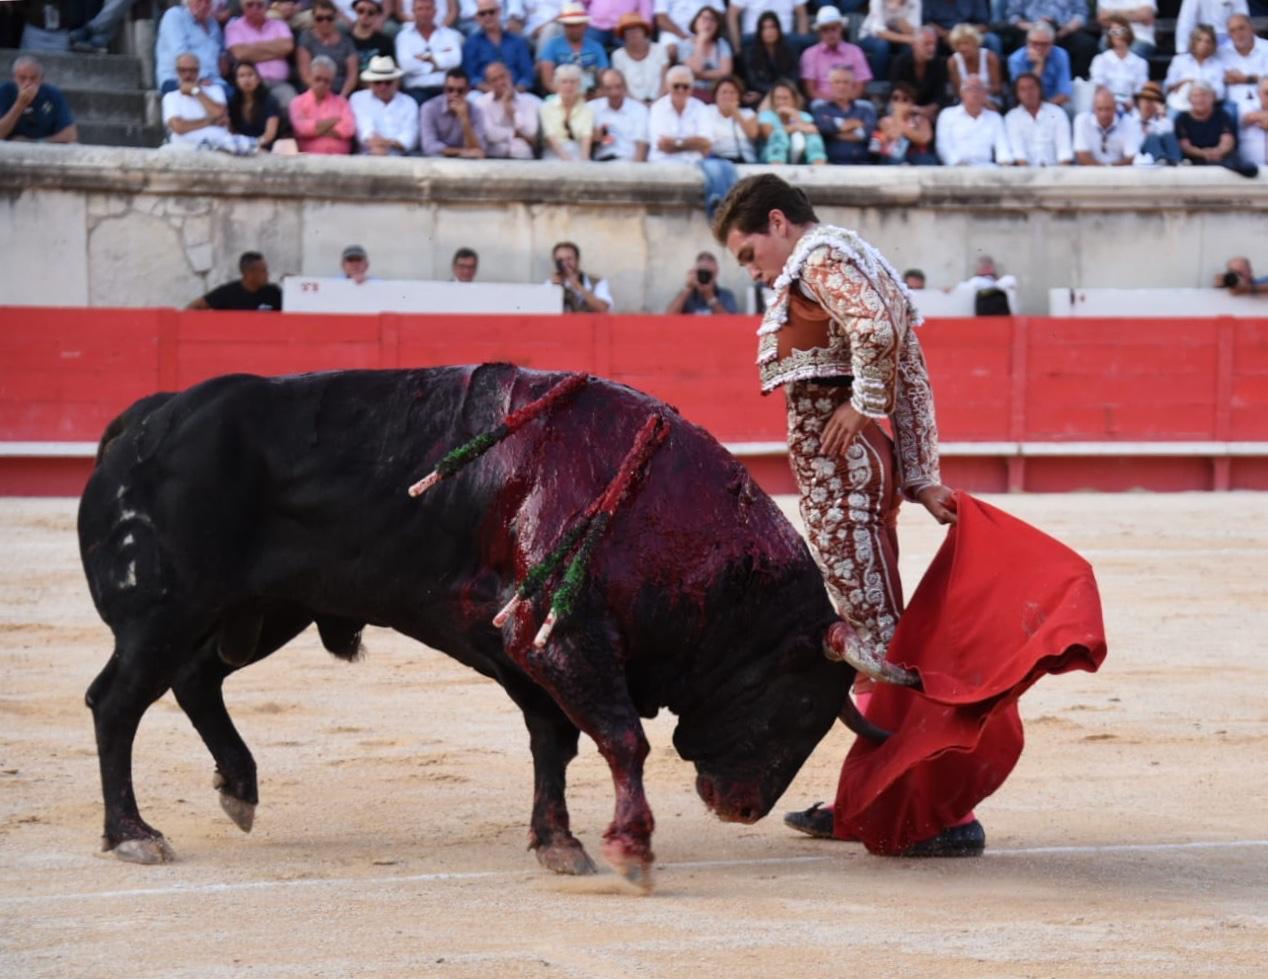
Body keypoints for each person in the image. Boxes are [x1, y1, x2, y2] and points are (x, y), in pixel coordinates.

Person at [711, 173, 983, 857]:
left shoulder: (819, 258)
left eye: (749, 253)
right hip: (858, 472)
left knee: (879, 641)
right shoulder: (854, 255)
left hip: (843, 476)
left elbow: (879, 331)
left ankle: (935, 807)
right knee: (871, 638)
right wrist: (919, 476)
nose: (755, 270)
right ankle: (874, 793)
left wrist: (862, 403)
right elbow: (910, 368)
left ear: (778, 222)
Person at [163, 51, 258, 153]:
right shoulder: (170, 97)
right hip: (186, 148)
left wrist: (196, 91)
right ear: (176, 72)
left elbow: (219, 113)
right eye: (183, 70)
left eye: (193, 71)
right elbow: (179, 127)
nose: (188, 75)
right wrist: (211, 121)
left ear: (199, 71)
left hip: (219, 146)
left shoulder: (215, 90)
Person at [1000, 0, 1096, 81]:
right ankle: (1026, 88)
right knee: (1023, 50)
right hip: (1032, 30)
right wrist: (1036, 28)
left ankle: (1071, 84)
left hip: (1064, 29)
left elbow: (1081, 14)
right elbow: (1013, 16)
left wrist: (1066, 29)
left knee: (1087, 45)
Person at [226, 0, 298, 107]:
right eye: (250, 5)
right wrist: (276, 51)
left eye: (259, 5)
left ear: (266, 7)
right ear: (243, 7)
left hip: (279, 84)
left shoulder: (279, 25)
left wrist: (252, 48)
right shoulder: (234, 27)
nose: (255, 8)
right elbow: (240, 54)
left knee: (294, 104)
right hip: (251, 86)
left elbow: (287, 47)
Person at [1177, 79, 1255, 174]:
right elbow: (1185, 146)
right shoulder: (1182, 118)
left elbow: (1227, 141)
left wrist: (1217, 152)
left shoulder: (1222, 115)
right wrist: (1204, 153)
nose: (1200, 99)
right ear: (1189, 99)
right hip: (1194, 158)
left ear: (1212, 97)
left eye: (1204, 95)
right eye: (1195, 96)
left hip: (1222, 157)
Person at [799, 5, 872, 104]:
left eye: (833, 28)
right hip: (822, 104)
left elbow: (860, 86)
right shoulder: (810, 54)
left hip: (851, 103)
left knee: (866, 106)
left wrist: (845, 103)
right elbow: (811, 90)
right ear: (819, 32)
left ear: (840, 28)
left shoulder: (855, 52)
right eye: (825, 29)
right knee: (817, 105)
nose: (830, 33)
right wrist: (832, 103)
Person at [396, 0, 464, 103]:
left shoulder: (449, 34)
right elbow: (406, 65)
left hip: (445, 88)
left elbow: (455, 59)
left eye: (428, 8)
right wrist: (437, 65)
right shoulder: (403, 37)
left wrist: (427, 59)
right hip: (416, 89)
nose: (424, 13)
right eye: (420, 9)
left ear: (435, 11)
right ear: (413, 11)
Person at [156, 0, 227, 98]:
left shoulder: (213, 24)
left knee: (234, 94)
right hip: (178, 80)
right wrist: (200, 79)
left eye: (207, 2)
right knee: (212, 99)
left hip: (213, 81)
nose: (203, 5)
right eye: (198, 1)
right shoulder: (175, 16)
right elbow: (180, 54)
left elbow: (222, 55)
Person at [935, 76, 1012, 165]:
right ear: (962, 93)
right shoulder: (947, 115)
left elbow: (1002, 147)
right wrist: (959, 164)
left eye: (979, 89)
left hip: (987, 168)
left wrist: (1005, 164)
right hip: (956, 169)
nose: (975, 93)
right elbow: (943, 146)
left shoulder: (995, 118)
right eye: (970, 89)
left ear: (985, 94)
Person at [0, 55, 78, 143]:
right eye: (22, 78)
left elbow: (70, 135)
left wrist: (34, 142)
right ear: (14, 78)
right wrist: (20, 104)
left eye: (33, 78)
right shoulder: (4, 92)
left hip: (44, 152)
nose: (28, 83)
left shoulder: (52, 94)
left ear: (41, 79)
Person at [351, 55, 419, 153]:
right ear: (370, 83)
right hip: (367, 156)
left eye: (388, 82)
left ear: (397, 82)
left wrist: (387, 143)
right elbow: (364, 129)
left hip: (401, 159)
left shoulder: (409, 103)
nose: (383, 87)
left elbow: (410, 137)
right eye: (377, 82)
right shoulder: (358, 99)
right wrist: (379, 145)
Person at [288, 54, 357, 152]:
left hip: (340, 160)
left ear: (332, 82)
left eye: (326, 81)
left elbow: (349, 129)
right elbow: (301, 129)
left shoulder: (342, 102)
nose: (322, 84)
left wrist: (315, 131)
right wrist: (334, 121)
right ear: (310, 77)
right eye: (318, 79)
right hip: (309, 160)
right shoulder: (297, 102)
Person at [538, 3, 609, 94]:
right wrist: (567, 97)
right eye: (569, 25)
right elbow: (547, 81)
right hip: (560, 97)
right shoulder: (552, 45)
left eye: (577, 25)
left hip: (591, 97)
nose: (574, 29)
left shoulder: (596, 47)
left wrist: (595, 94)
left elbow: (603, 76)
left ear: (585, 26)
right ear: (563, 26)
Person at [1004, 71, 1072, 165]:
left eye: (1032, 88)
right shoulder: (1011, 117)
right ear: (1017, 94)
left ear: (1039, 89)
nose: (1028, 93)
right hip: (1026, 174)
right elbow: (1019, 154)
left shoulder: (1057, 113)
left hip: (1056, 172)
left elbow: (1064, 151)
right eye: (1022, 89)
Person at [465, 0, 535, 91]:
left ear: (499, 12)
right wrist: (493, 91)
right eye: (482, 14)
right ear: (477, 17)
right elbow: (471, 76)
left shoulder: (517, 41)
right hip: (484, 94)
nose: (487, 16)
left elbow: (527, 75)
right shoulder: (471, 43)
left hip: (517, 92)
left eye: (491, 12)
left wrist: (514, 92)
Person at [648, 65, 713, 162]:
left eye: (685, 86)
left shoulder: (701, 108)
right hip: (662, 165)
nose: (681, 90)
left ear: (691, 88)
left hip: (693, 166)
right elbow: (662, 145)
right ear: (668, 86)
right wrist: (692, 144)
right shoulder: (657, 108)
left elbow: (706, 144)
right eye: (676, 86)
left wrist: (675, 143)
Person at [478, 59, 542, 158]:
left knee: (520, 148)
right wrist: (516, 134)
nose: (500, 82)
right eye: (494, 80)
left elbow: (530, 132)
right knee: (500, 148)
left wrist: (511, 111)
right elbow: (490, 133)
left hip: (522, 152)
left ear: (510, 75)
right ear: (488, 84)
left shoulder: (530, 101)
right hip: (494, 151)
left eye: (502, 77)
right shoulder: (482, 103)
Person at [814, 66, 877, 164]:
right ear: (830, 85)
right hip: (831, 164)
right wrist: (853, 125)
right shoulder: (820, 108)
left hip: (863, 164)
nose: (841, 86)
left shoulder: (866, 108)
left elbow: (866, 134)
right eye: (837, 82)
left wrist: (833, 133)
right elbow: (823, 129)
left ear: (853, 85)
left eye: (846, 82)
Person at [297, 0, 359, 98]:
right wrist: (321, 92)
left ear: (335, 19)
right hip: (314, 93)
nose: (324, 22)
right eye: (319, 18)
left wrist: (342, 96)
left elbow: (352, 75)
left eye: (329, 18)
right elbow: (305, 72)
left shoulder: (346, 41)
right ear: (313, 19)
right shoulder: (306, 37)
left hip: (341, 93)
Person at [420, 67, 487, 156]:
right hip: (437, 162)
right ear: (444, 89)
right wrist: (460, 152)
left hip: (466, 164)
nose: (454, 94)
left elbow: (478, 150)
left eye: (460, 91)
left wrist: (464, 119)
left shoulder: (476, 112)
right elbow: (429, 146)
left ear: (467, 91)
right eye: (450, 90)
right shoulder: (430, 108)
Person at [738, 10, 799, 109]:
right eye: (765, 28)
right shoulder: (751, 53)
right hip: (761, 95)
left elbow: (793, 78)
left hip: (786, 94)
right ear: (760, 31)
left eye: (772, 27)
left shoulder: (790, 51)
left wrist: (777, 93)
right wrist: (771, 93)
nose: (769, 31)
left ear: (778, 30)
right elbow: (754, 82)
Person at [588, 68, 651, 161]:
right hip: (600, 164)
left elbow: (641, 147)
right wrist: (594, 137)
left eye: (618, 86)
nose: (614, 92)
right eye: (608, 88)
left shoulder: (639, 110)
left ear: (625, 87)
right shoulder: (591, 108)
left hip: (628, 164)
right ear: (601, 90)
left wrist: (635, 173)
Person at [760, 78, 828, 164]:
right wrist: (796, 127)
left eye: (785, 98)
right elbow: (770, 135)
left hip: (800, 155)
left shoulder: (804, 116)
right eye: (778, 98)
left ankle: (818, 165)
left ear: (794, 99)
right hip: (770, 155)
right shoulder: (766, 115)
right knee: (779, 134)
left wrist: (795, 115)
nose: (781, 102)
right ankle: (777, 167)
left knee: (812, 136)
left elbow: (813, 130)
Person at [1006, 22, 1072, 108]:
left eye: (1044, 44)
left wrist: (1045, 110)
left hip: (1054, 104)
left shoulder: (1061, 55)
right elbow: (1024, 95)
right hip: (1025, 107)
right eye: (1035, 43)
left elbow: (1065, 92)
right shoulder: (1016, 60)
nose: (1039, 48)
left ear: (1052, 43)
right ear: (1027, 42)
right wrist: (1039, 65)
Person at [187, 251, 283, 310]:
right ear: (249, 274)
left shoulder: (273, 293)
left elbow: (293, 311)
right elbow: (194, 308)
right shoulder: (227, 293)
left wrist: (292, 283)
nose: (267, 274)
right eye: (263, 271)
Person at [1088, 16, 1148, 110]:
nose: (1117, 35)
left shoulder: (1140, 63)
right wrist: (1117, 101)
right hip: (1106, 106)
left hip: (1130, 107)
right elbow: (1098, 86)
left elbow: (1140, 91)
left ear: (1128, 33)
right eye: (1113, 31)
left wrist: (1131, 102)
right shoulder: (1100, 60)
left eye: (1121, 31)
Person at [1165, 24, 1226, 115]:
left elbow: (1220, 92)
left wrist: (1201, 90)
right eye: (1199, 40)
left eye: (1208, 41)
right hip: (1180, 103)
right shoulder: (1179, 60)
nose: (1203, 44)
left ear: (1213, 45)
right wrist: (1182, 82)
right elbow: (1168, 84)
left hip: (1206, 106)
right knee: (1172, 116)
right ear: (1193, 42)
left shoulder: (1217, 65)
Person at [871, 82, 939, 163]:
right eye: (895, 98)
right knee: (895, 158)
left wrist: (901, 123)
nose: (899, 102)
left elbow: (924, 139)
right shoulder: (884, 121)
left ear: (912, 103)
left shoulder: (921, 120)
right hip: (892, 157)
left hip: (918, 156)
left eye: (905, 99)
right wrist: (898, 115)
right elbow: (894, 135)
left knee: (926, 159)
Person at [891, 26, 952, 116]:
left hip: (931, 111)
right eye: (926, 44)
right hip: (906, 108)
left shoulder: (939, 64)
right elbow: (896, 92)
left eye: (934, 44)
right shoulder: (900, 63)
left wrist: (929, 109)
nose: (932, 48)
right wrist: (915, 109)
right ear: (914, 45)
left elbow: (940, 95)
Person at [1072, 85, 1140, 165]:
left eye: (1108, 108)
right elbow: (1082, 156)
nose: (1104, 114)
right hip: (1089, 174)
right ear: (1093, 108)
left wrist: (1108, 170)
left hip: (1120, 174)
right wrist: (1107, 170)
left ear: (1116, 108)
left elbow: (1131, 158)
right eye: (1100, 109)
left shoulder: (1128, 122)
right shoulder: (1082, 120)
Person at [611, 12, 670, 104]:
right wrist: (639, 105)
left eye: (636, 29)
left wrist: (657, 102)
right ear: (623, 36)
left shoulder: (660, 49)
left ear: (644, 32)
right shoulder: (618, 55)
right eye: (628, 31)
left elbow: (665, 81)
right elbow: (622, 88)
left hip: (660, 102)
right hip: (631, 105)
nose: (633, 33)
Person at [678, 6, 733, 103]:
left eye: (712, 20)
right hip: (692, 93)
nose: (708, 23)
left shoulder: (722, 44)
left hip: (716, 92)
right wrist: (701, 41)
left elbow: (725, 72)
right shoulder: (685, 45)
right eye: (704, 18)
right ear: (695, 21)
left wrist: (697, 76)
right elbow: (697, 68)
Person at [540, 62, 594, 159]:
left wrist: (584, 163)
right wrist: (568, 163)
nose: (569, 85)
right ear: (557, 84)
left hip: (577, 151)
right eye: (564, 82)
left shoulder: (587, 109)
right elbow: (551, 138)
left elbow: (586, 139)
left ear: (579, 84)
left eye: (573, 82)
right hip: (554, 153)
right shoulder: (546, 107)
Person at [857, 0, 921, 82]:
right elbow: (879, 32)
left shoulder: (915, 2)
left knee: (909, 48)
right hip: (869, 35)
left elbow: (912, 32)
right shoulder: (877, 1)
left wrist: (898, 14)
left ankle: (903, 85)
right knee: (882, 45)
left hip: (899, 38)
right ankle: (878, 85)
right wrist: (908, 39)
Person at [1219, 14, 1268, 118]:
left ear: (1252, 28)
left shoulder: (1266, 48)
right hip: (1233, 110)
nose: (1238, 34)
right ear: (1228, 34)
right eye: (1232, 31)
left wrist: (1245, 79)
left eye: (1241, 28)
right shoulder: (1221, 54)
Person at [228, 60, 282, 151]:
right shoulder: (233, 102)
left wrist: (253, 145)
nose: (246, 79)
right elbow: (232, 131)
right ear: (236, 81)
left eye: (250, 75)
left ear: (258, 79)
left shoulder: (270, 100)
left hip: (266, 147)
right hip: (241, 148)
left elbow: (270, 134)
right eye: (241, 76)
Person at [703, 74, 759, 162]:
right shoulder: (707, 111)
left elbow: (753, 135)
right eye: (724, 92)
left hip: (744, 158)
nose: (728, 96)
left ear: (739, 96)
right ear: (716, 95)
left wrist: (736, 113)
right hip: (716, 158)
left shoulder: (748, 113)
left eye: (732, 92)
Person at [946, 23, 1003, 108]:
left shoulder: (990, 58)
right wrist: (971, 97)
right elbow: (957, 92)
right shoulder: (953, 62)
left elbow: (997, 87)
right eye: (958, 44)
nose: (962, 48)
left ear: (976, 42)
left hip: (989, 98)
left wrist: (977, 93)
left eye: (966, 43)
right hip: (963, 101)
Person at [547, 240, 613, 312]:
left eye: (569, 259)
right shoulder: (550, 283)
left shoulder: (597, 282)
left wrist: (578, 286)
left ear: (577, 259)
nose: (565, 263)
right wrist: (554, 289)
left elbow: (603, 309)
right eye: (560, 260)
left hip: (590, 323)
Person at [665, 251, 739, 313]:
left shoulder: (725, 296)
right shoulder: (686, 296)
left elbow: (729, 323)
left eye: (708, 273)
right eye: (701, 273)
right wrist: (688, 288)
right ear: (695, 272)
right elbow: (668, 319)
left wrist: (710, 297)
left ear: (716, 273)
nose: (704, 276)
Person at [726, 0, 811, 54]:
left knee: (809, 41)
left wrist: (801, 42)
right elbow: (732, 15)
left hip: (784, 38)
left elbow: (802, 15)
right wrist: (737, 48)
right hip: (753, 38)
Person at [1131, 80, 1180, 165]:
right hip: (1138, 156)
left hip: (1164, 156)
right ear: (1138, 101)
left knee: (1168, 136)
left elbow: (1168, 132)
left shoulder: (1162, 121)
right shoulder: (1129, 120)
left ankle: (1177, 163)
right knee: (1151, 137)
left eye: (1152, 100)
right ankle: (1160, 160)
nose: (1148, 103)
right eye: (1145, 99)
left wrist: (1161, 113)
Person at [1175, 0, 1248, 53]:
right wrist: (1182, 52)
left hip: (1229, 43)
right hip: (1203, 42)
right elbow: (1186, 21)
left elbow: (1242, 20)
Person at [350, 0, 396, 76]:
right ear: (355, 12)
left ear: (377, 15)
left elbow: (390, 71)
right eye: (360, 11)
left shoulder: (385, 42)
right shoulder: (345, 40)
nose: (365, 15)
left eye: (370, 12)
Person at [1238, 77, 1268, 170]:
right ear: (1258, 93)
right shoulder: (1246, 105)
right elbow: (1248, 118)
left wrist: (1258, 117)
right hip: (1251, 168)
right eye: (1267, 93)